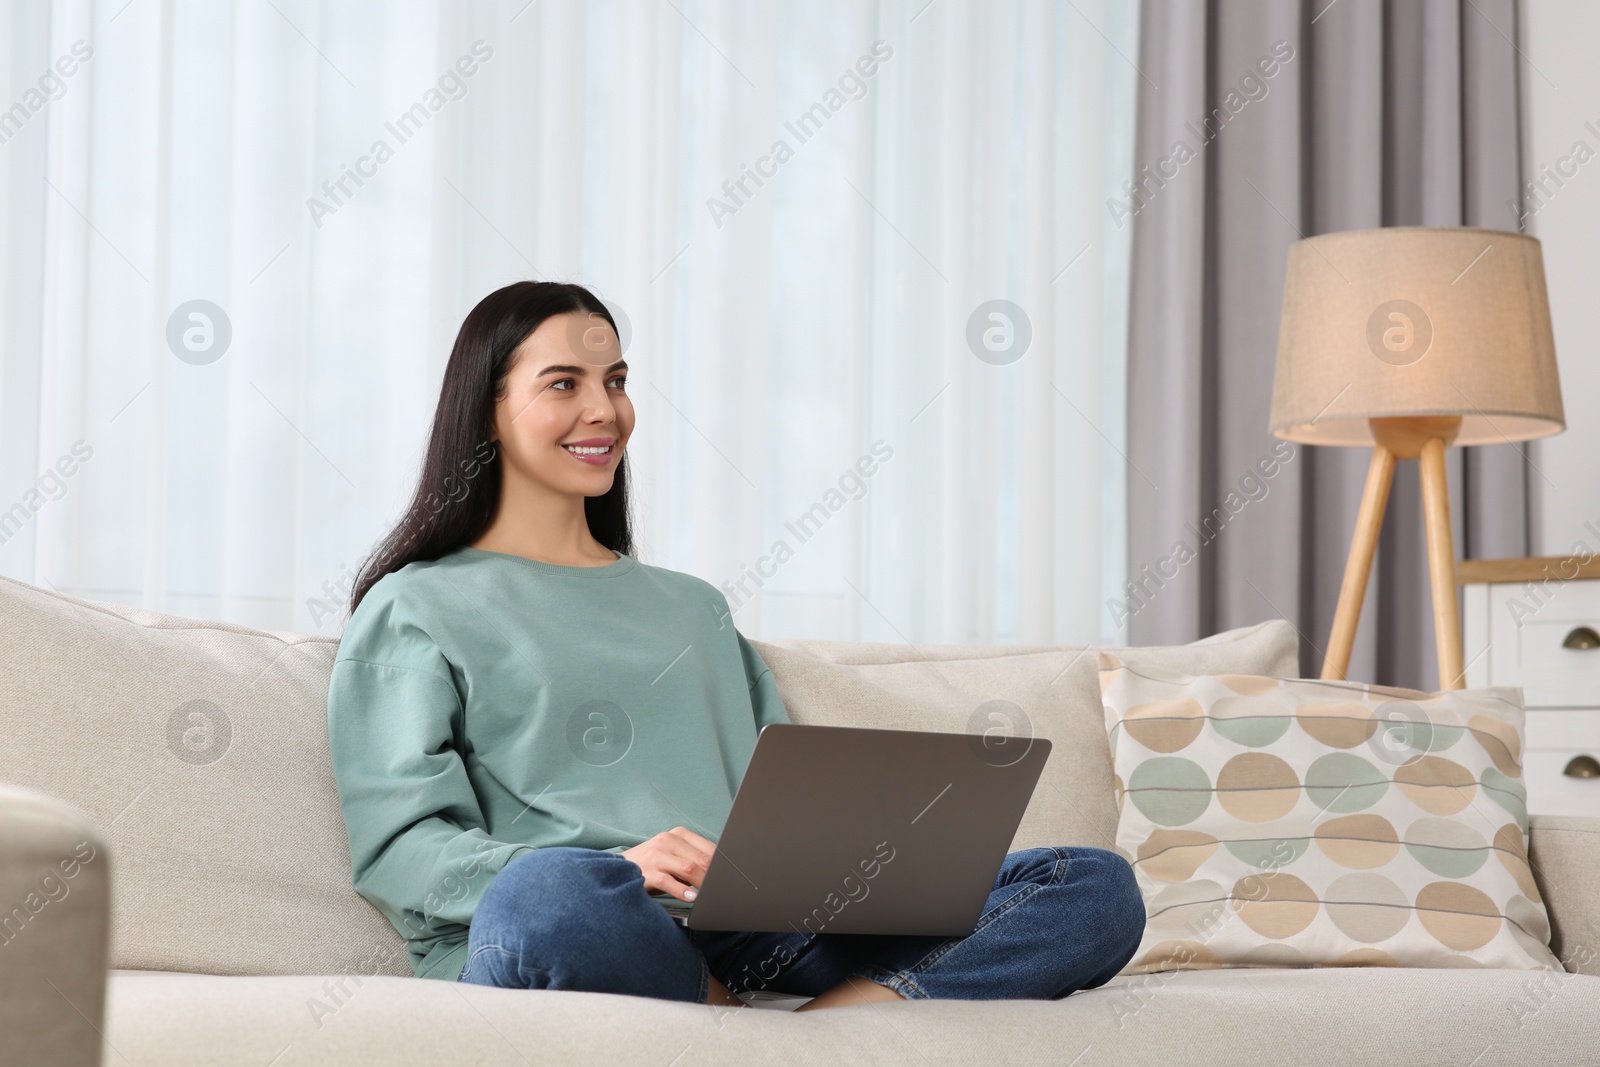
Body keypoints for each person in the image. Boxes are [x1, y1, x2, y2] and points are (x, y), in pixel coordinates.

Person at [327, 280, 1145, 1010]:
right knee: (551, 894)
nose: (605, 411)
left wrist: (854, 864)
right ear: (488, 412)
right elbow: (401, 849)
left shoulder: (693, 607)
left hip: (751, 929)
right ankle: (718, 1011)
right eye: (563, 384)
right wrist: (620, 862)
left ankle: (839, 1020)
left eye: (615, 381)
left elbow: (776, 799)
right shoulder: (415, 605)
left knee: (1093, 886)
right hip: (575, 923)